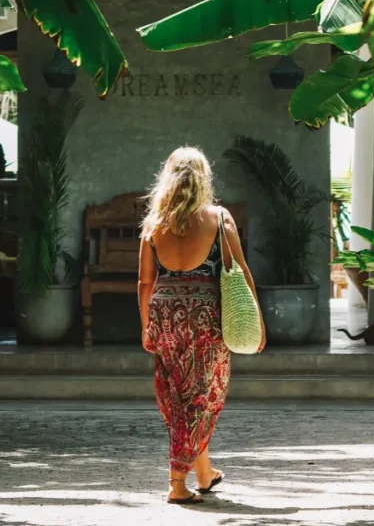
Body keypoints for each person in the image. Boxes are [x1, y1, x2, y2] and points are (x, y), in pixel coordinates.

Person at [138, 146, 265, 505]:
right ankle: (177, 484)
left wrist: (147, 325)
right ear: (203, 178)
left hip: (163, 314)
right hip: (204, 317)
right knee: (202, 398)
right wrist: (256, 318)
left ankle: (204, 473)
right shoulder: (218, 218)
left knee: (178, 396)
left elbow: (144, 283)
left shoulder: (154, 224)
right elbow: (239, 272)